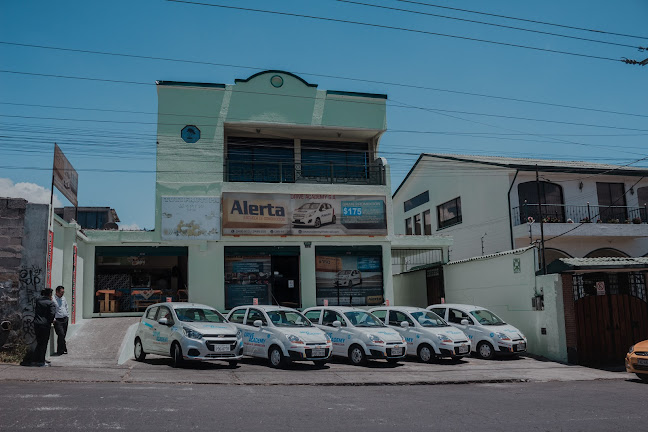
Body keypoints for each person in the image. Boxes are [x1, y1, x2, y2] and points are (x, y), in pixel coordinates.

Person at [32, 288, 56, 367]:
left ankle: (37, 359)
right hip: (45, 325)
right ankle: (41, 361)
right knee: (44, 343)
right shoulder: (50, 303)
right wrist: (51, 320)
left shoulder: (38, 301)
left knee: (39, 342)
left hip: (37, 324)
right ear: (50, 294)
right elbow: (52, 314)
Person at [53, 285, 69, 355]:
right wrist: (53, 319)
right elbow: (52, 310)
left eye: (63, 292)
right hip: (57, 320)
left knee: (63, 335)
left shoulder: (63, 298)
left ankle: (62, 349)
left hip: (65, 318)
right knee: (61, 334)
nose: (62, 293)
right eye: (61, 292)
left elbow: (66, 307)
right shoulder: (53, 299)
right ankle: (61, 350)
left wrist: (67, 316)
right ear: (57, 292)